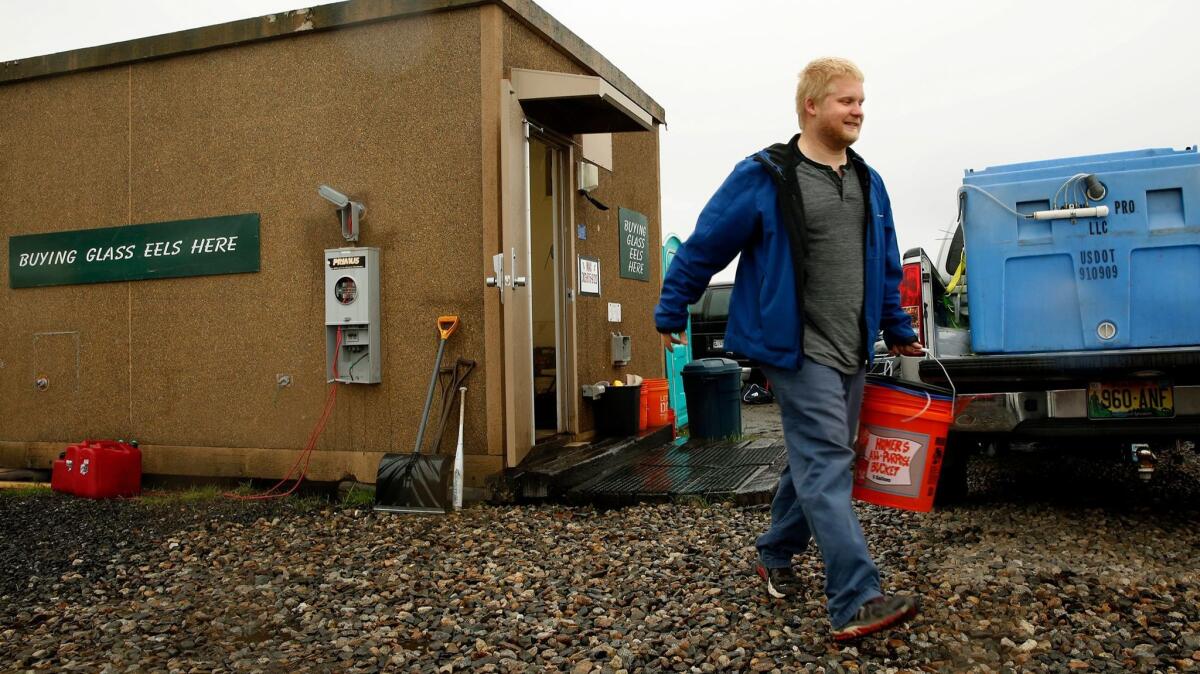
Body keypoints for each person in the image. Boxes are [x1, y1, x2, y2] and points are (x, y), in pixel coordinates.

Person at [655, 57, 923, 641]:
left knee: (819, 459)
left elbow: (883, 264)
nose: (858, 111)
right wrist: (672, 307)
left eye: (861, 102)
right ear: (811, 106)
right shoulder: (766, 175)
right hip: (795, 352)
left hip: (852, 348)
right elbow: (706, 243)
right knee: (829, 463)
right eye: (846, 101)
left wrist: (895, 325)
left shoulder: (868, 181)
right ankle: (854, 599)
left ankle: (775, 548)